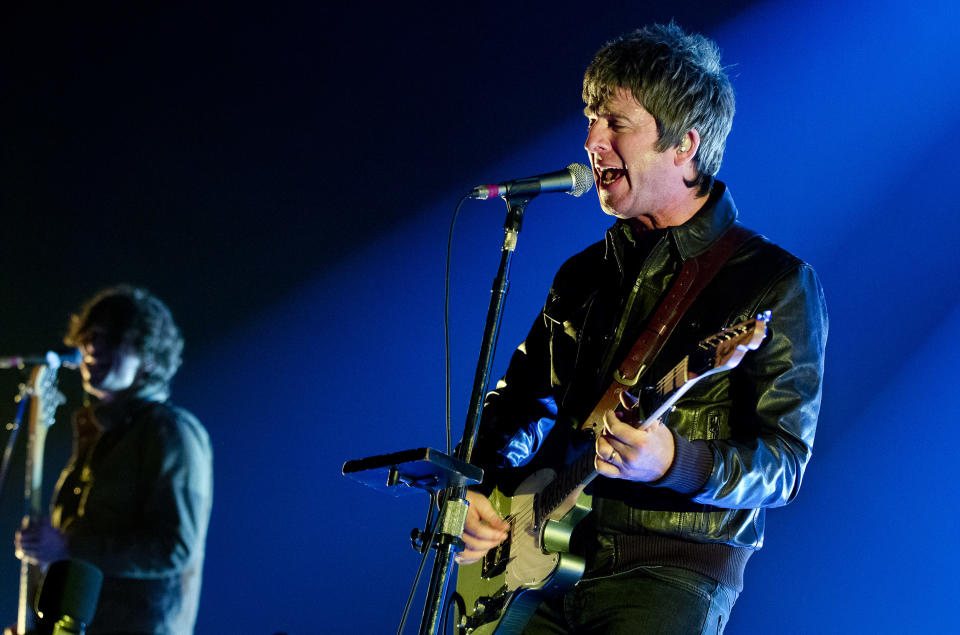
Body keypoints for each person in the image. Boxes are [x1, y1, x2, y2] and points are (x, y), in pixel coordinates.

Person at [456, 22, 828, 634]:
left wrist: (674, 462)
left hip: (668, 577)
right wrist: (482, 484)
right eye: (591, 119)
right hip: (533, 564)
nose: (591, 140)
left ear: (684, 145)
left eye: (615, 123)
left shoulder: (774, 282)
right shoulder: (584, 274)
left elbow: (783, 465)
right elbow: (517, 399)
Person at [14, 285, 213, 634]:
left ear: (149, 355)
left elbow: (174, 548)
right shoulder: (99, 433)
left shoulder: (170, 432)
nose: (92, 347)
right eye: (89, 335)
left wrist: (68, 546)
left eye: (111, 337)